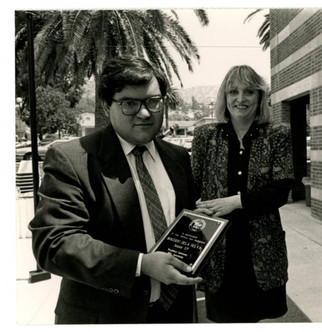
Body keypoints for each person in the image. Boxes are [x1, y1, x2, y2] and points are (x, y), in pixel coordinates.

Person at [28, 55, 202, 324]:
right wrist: (141, 264)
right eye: (129, 103)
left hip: (175, 313)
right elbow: (54, 244)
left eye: (153, 102)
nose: (144, 113)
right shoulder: (72, 159)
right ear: (106, 104)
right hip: (107, 316)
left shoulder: (179, 157)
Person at [191, 65, 295, 323]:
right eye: (233, 91)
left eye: (249, 91)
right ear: (224, 98)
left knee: (255, 317)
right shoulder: (205, 135)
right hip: (217, 247)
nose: (241, 98)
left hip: (260, 246)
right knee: (224, 318)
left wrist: (235, 203)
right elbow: (193, 185)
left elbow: (281, 190)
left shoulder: (277, 134)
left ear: (260, 97)